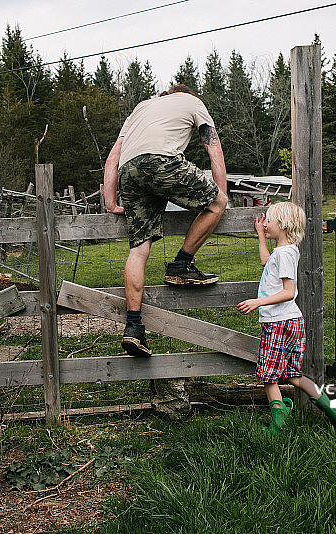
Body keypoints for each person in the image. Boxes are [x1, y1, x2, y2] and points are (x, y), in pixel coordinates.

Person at [104, 84, 228, 357]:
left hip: (129, 172)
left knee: (138, 249)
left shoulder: (141, 108)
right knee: (216, 203)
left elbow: (113, 156)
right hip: (162, 162)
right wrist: (222, 196)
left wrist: (110, 201)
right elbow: (213, 148)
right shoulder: (193, 102)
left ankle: (134, 328)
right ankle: (181, 264)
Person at [237, 202, 336, 434]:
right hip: (290, 322)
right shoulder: (284, 252)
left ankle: (278, 423)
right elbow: (265, 262)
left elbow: (289, 292)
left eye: (269, 220)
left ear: (284, 224)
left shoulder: (286, 254)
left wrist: (257, 302)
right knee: (294, 376)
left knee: (269, 376)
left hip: (279, 322)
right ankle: (335, 413)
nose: (265, 223)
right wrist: (260, 235)